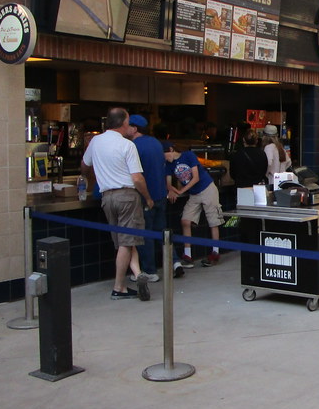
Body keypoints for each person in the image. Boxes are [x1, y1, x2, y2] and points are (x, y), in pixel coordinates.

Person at [80, 107, 154, 301]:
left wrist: (90, 178)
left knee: (128, 241)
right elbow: (137, 178)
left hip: (107, 197)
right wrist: (147, 197)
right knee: (126, 242)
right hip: (127, 196)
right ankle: (118, 287)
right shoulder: (127, 145)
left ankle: (138, 274)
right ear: (123, 123)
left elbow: (84, 166)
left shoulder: (95, 141)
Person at [128, 114, 184, 281]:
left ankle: (150, 271)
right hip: (161, 194)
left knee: (146, 234)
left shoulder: (133, 146)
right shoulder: (156, 143)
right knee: (163, 232)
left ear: (135, 128)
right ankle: (175, 262)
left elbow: (136, 175)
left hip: (146, 196)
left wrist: (146, 197)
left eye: (128, 125)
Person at [164, 141, 224, 267]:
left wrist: (180, 191)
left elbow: (195, 177)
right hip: (194, 193)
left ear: (170, 150)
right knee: (185, 220)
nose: (164, 158)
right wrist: (171, 189)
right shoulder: (169, 164)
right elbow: (168, 182)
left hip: (207, 188)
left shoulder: (188, 155)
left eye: (164, 154)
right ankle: (188, 255)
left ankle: (215, 252)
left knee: (213, 221)